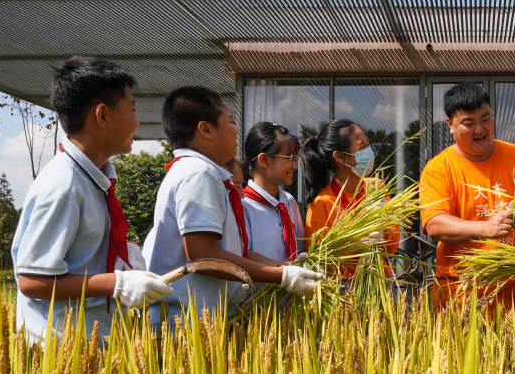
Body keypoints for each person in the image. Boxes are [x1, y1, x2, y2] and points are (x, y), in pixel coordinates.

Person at [12, 56, 173, 343]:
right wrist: (117, 282)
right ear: (102, 116)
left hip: (90, 345)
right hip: (60, 354)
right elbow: (32, 280)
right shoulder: (64, 185)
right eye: (133, 110)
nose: (137, 122)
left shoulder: (93, 181)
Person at [143, 86, 323, 323]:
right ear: (206, 129)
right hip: (189, 323)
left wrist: (283, 269)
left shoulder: (196, 171)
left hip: (200, 319)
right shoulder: (198, 173)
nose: (237, 130)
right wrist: (281, 276)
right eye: (229, 122)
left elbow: (222, 251)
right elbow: (203, 256)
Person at [419, 82, 515, 310]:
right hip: (460, 295)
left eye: (486, 119)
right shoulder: (438, 168)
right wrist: (486, 229)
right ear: (451, 125)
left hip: (513, 294)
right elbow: (435, 224)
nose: (480, 129)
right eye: (469, 123)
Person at [302, 119, 401, 282]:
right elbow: (318, 258)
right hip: (341, 289)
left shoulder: (376, 188)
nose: (370, 152)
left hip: (380, 281)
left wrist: (384, 230)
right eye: (362, 148)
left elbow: (391, 247)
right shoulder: (322, 202)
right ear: (339, 157)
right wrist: (357, 244)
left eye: (368, 145)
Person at [241, 121, 305, 265]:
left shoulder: (289, 201)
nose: (295, 166)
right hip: (258, 287)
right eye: (290, 158)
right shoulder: (243, 204)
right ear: (264, 160)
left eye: (296, 158)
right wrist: (282, 271)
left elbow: (300, 248)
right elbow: (241, 253)